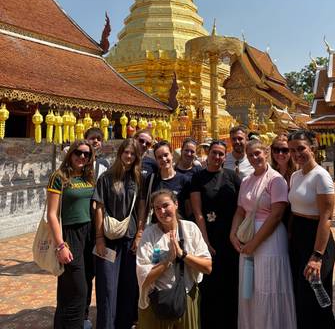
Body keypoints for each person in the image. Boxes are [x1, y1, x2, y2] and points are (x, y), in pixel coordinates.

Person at [230, 139, 297, 329]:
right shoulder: (246, 180)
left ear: (266, 153)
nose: (254, 158)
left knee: (267, 286)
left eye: (257, 153)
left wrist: (254, 244)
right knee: (249, 288)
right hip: (248, 234)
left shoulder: (276, 180)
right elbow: (240, 211)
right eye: (250, 155)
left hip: (270, 238)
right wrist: (232, 235)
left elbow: (276, 216)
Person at [136, 189, 212, 329]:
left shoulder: (190, 229)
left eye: (166, 206)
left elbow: (207, 267)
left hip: (186, 298)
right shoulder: (149, 234)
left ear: (176, 204)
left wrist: (182, 255)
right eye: (157, 208)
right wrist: (168, 260)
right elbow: (144, 279)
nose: (162, 211)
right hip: (156, 301)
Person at [288, 130, 335, 329]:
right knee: (302, 296)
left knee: (316, 296)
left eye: (301, 148)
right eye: (292, 150)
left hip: (316, 239)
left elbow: (326, 217)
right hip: (298, 238)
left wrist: (317, 256)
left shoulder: (321, 176)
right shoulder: (295, 176)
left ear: (312, 148)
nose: (297, 154)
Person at [190, 140, 240, 328]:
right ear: (208, 154)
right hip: (208, 235)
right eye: (214, 153)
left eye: (221, 154)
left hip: (230, 237)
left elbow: (241, 208)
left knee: (230, 283)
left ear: (225, 157)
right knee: (209, 284)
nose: (217, 157)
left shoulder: (232, 177)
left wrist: (234, 234)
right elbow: (198, 213)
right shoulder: (198, 177)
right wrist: (205, 242)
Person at [93, 138, 143, 329]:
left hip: (129, 239)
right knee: (107, 287)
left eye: (133, 154)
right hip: (108, 239)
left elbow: (141, 207)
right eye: (126, 152)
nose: (129, 156)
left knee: (127, 287)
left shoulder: (137, 178)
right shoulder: (106, 177)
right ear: (120, 153)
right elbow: (98, 207)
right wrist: (98, 238)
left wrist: (139, 234)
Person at [47, 140, 95, 329]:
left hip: (88, 234)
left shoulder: (88, 177)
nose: (82, 157)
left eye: (87, 154)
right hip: (70, 235)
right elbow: (51, 214)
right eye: (78, 152)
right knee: (79, 290)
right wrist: (60, 244)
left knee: (72, 287)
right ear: (70, 153)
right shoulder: (59, 177)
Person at [142, 141, 190, 220]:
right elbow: (145, 206)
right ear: (156, 160)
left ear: (171, 155)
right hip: (157, 228)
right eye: (159, 157)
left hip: (178, 226)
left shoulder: (184, 180)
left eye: (166, 155)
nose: (163, 159)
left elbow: (189, 209)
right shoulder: (151, 180)